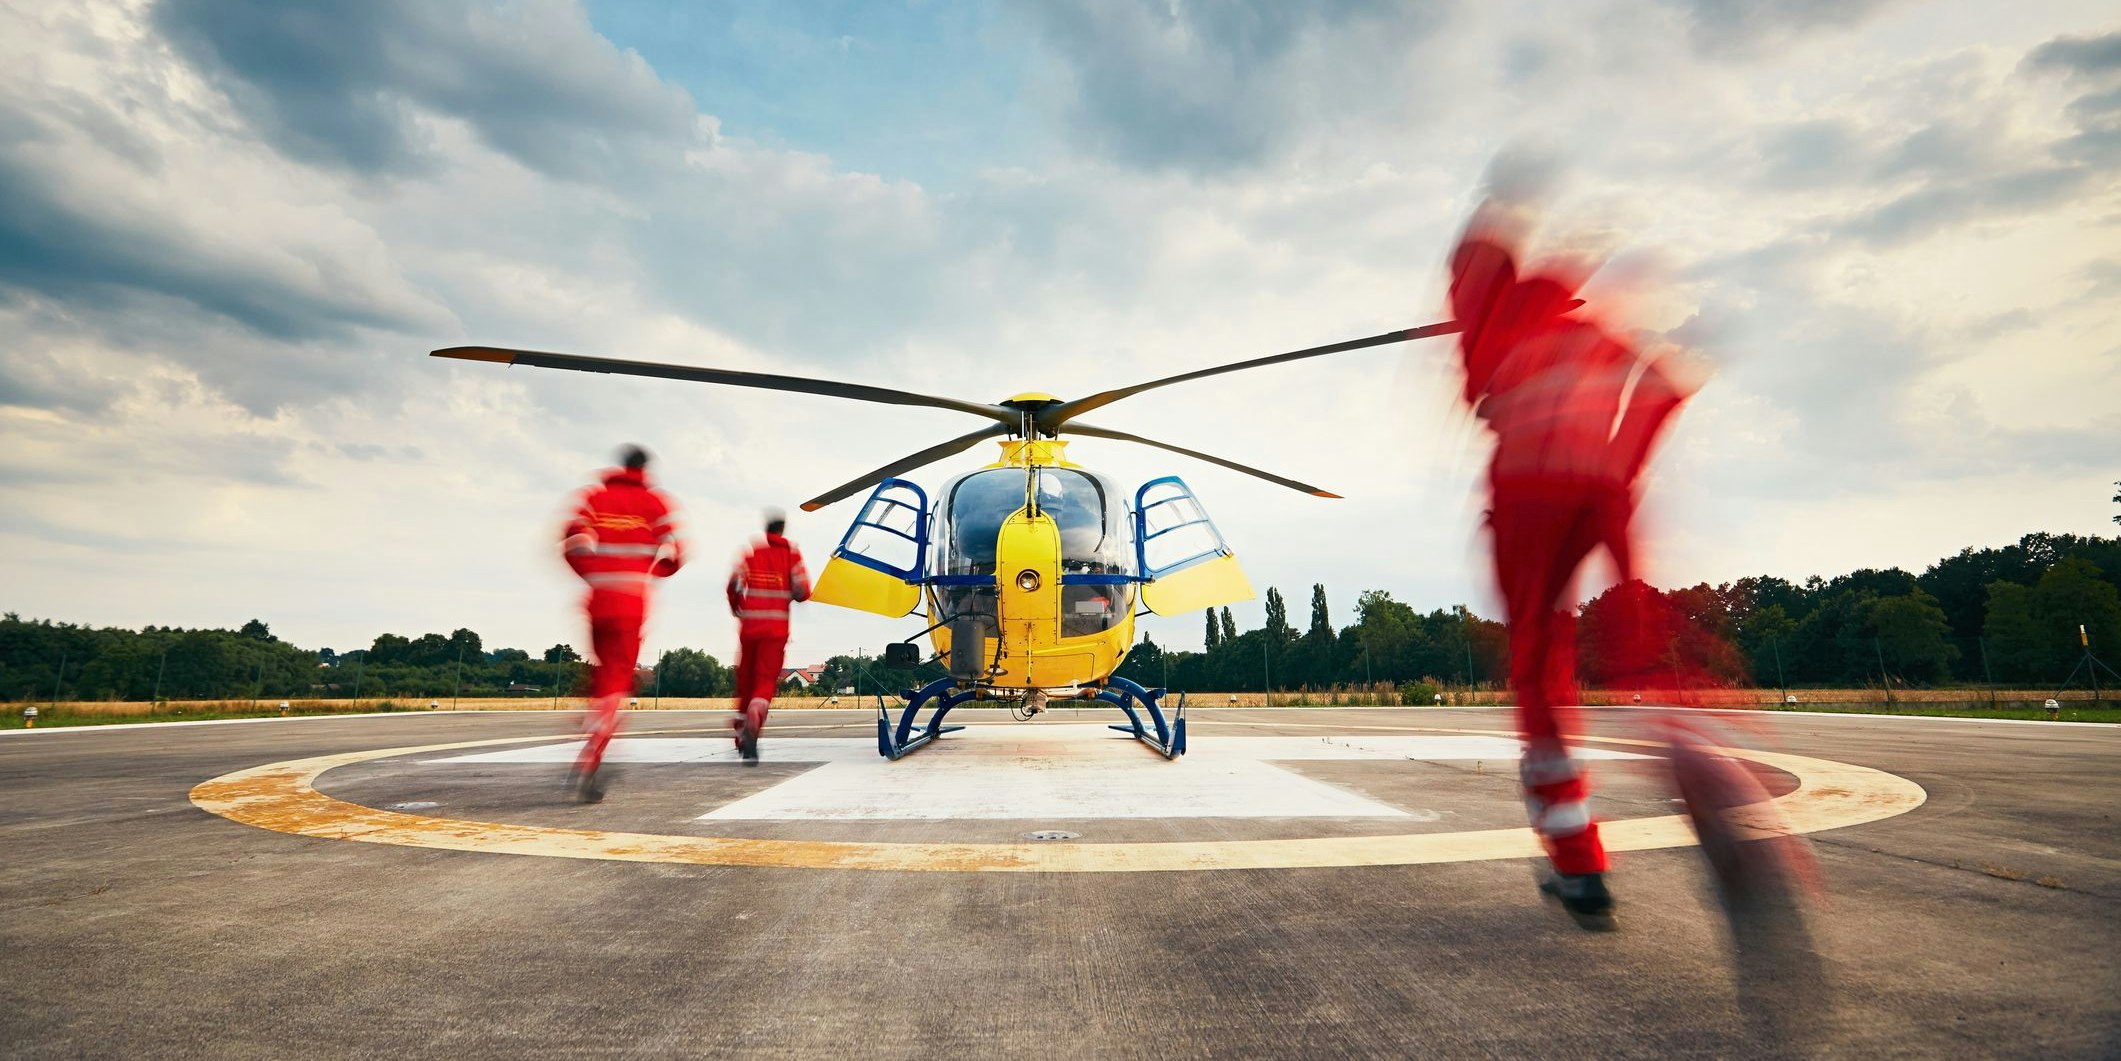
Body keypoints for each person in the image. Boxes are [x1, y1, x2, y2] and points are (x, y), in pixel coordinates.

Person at [1448, 204, 1695, 930]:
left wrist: (1488, 233)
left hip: (1529, 488)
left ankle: (1578, 862)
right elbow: (1655, 386)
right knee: (1638, 638)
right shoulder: (1585, 327)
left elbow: (1475, 287)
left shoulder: (1496, 322)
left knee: (1538, 671)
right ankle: (1692, 733)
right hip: (1606, 479)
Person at [560, 445, 684, 801]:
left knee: (602, 670)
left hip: (599, 600)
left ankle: (592, 711)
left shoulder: (594, 498)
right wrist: (650, 574)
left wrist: (593, 577)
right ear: (645, 469)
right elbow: (676, 554)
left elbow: (571, 543)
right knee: (617, 679)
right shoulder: (655, 503)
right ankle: (593, 749)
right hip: (631, 603)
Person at [726, 509, 810, 762]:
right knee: (764, 681)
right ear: (782, 530)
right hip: (775, 630)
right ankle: (755, 719)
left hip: (750, 627)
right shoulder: (791, 555)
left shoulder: (751, 555)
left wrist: (738, 608)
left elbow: (733, 585)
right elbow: (803, 590)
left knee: (746, 681)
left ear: (766, 529)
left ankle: (741, 734)